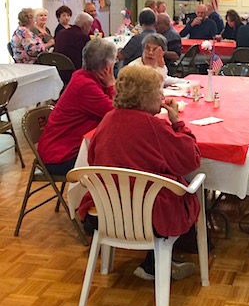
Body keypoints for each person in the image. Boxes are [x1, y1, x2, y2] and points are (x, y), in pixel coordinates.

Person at [78, 64, 201, 281]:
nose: (162, 95)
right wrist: (178, 123)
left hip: (104, 214)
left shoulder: (107, 120)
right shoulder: (153, 126)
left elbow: (93, 161)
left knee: (146, 189)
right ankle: (157, 264)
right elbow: (190, 159)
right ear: (144, 96)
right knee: (177, 189)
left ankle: (153, 264)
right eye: (158, 91)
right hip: (144, 219)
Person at [37, 38, 117, 176]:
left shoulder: (83, 76)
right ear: (108, 67)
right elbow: (116, 112)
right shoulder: (86, 85)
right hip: (60, 157)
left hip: (62, 149)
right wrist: (111, 85)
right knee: (116, 161)